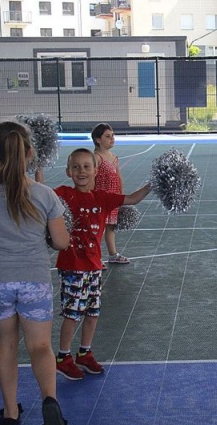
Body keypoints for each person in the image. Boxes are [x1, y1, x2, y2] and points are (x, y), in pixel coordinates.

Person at [0, 121, 69, 425]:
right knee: (40, 347)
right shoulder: (44, 194)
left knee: (6, 345)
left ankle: (10, 413)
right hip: (34, 280)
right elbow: (61, 241)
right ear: (30, 152)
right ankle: (50, 403)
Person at [54, 148, 151, 380]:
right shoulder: (63, 194)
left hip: (94, 267)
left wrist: (153, 184)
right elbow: (40, 197)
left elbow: (132, 199)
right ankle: (63, 357)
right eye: (76, 167)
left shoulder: (102, 198)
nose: (81, 171)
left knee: (93, 311)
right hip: (72, 266)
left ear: (96, 171)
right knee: (72, 313)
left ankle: (84, 353)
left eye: (86, 167)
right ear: (68, 171)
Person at [92, 123, 128, 266]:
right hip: (100, 199)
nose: (112, 138)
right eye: (107, 136)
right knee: (97, 228)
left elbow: (119, 178)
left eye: (112, 135)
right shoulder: (96, 157)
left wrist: (121, 197)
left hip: (113, 199)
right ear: (98, 140)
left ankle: (113, 254)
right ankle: (94, 257)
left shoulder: (114, 157)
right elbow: (91, 178)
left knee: (111, 226)